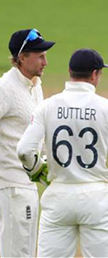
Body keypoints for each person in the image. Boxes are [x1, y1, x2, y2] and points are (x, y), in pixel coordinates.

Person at [16, 49, 108, 258]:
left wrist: (36, 171)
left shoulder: (47, 106)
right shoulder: (107, 108)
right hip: (97, 199)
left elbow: (24, 150)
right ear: (94, 74)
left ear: (70, 71)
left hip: (58, 197)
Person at [0, 28, 55, 257]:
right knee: (16, 252)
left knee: (26, 250)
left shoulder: (35, 85)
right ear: (22, 57)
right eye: (40, 55)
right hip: (11, 187)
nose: (46, 61)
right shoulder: (5, 88)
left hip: (29, 184)